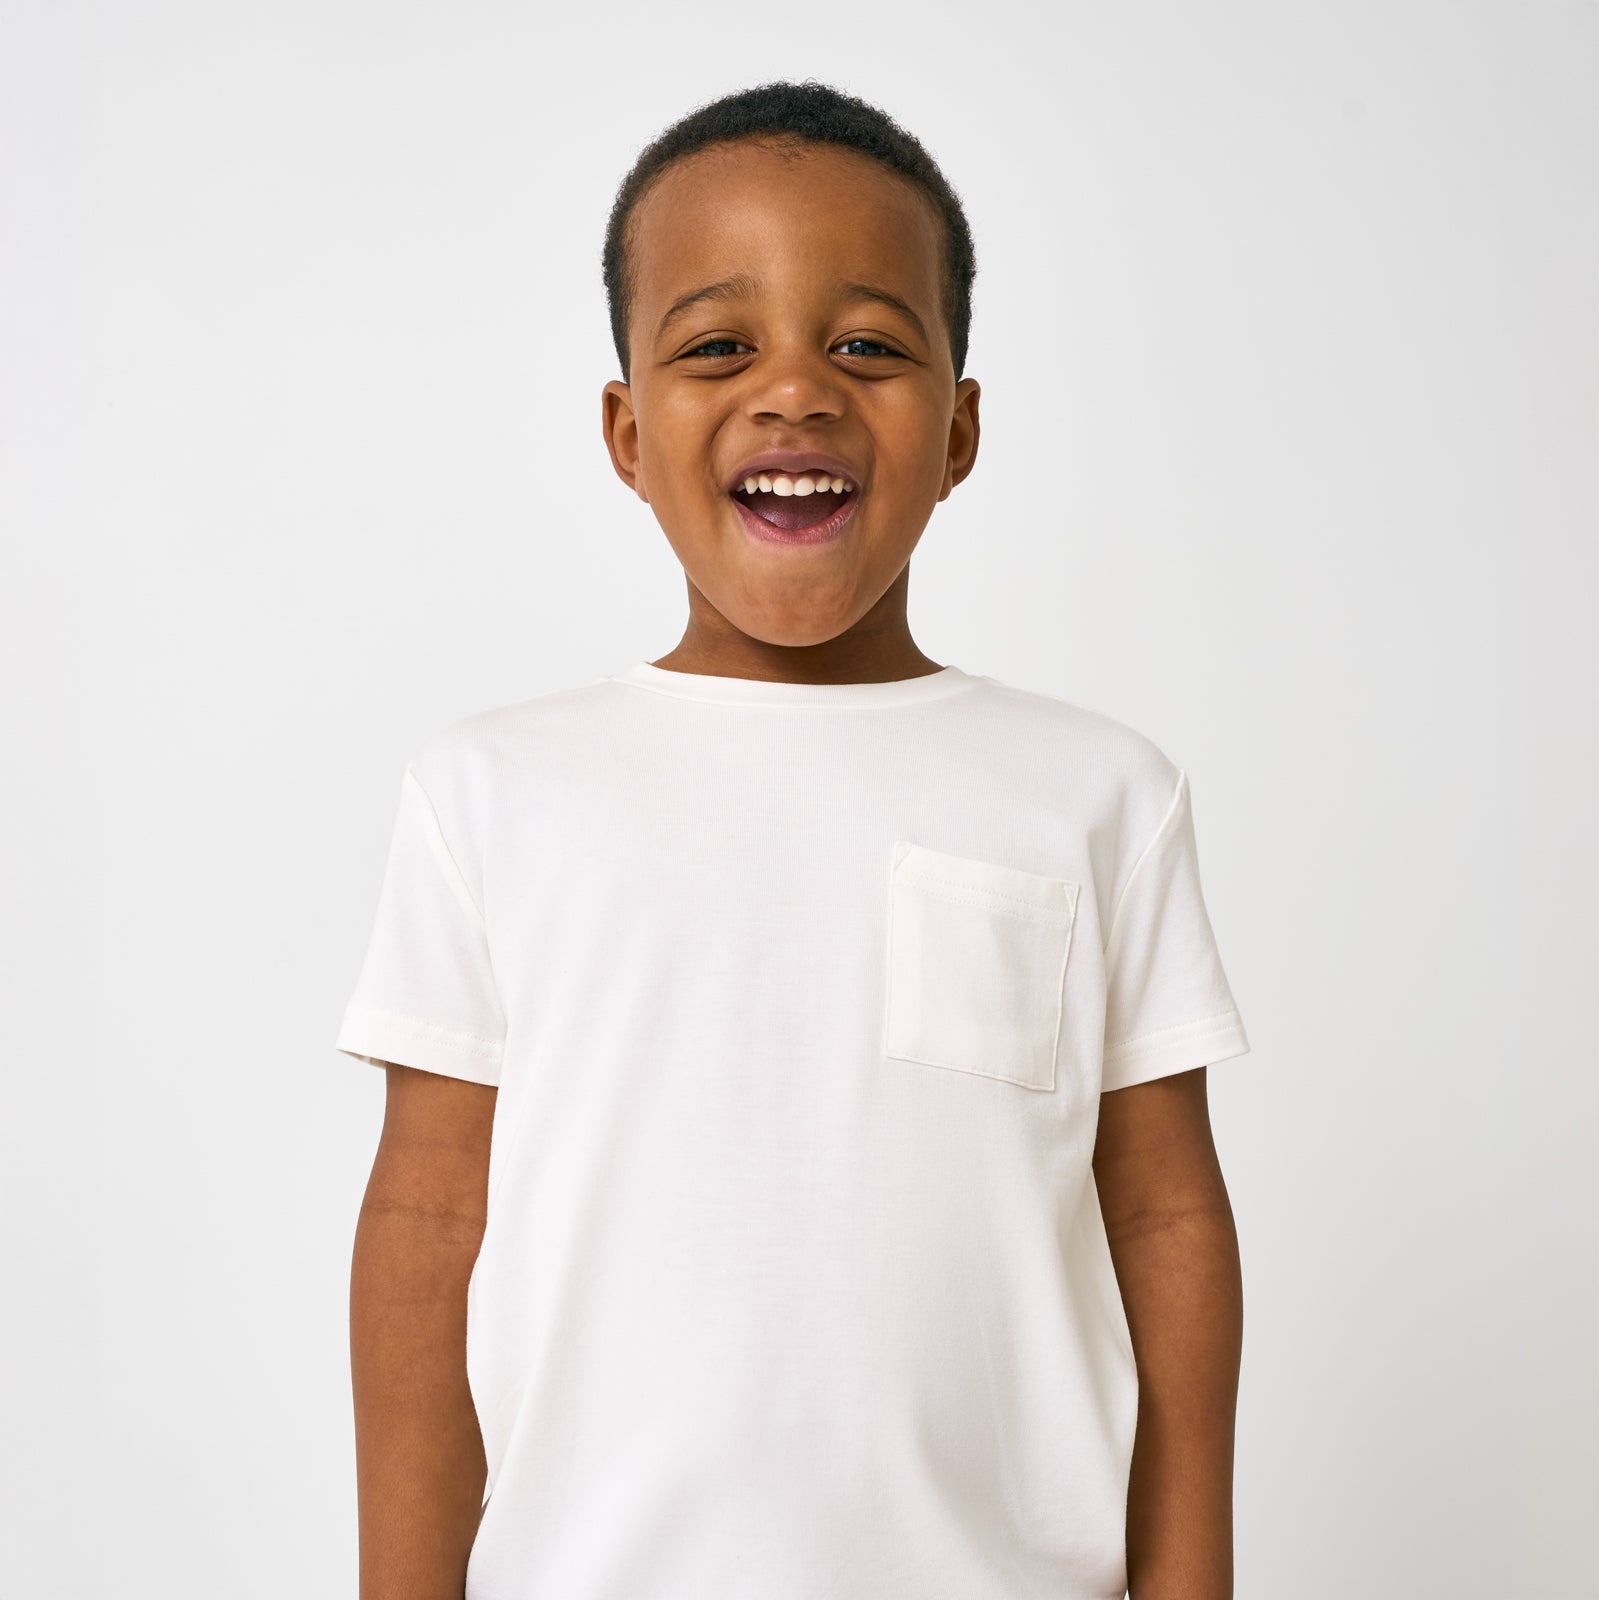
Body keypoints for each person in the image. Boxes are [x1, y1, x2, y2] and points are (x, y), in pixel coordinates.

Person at [338, 78, 1253, 1600]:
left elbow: (1163, 1210)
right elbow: (430, 1217)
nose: (795, 394)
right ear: (628, 431)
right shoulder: (493, 791)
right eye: (718, 346)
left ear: (959, 427)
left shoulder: (1097, 792)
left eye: (868, 346)